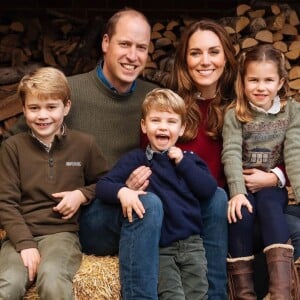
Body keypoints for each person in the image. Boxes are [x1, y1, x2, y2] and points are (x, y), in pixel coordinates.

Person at [97, 88, 217, 300]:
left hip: (192, 245)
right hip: (161, 248)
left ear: (182, 128)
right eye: (155, 120)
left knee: (198, 294)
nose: (163, 127)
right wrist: (123, 191)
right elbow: (103, 185)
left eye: (171, 121)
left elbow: (208, 190)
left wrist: (182, 163)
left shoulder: (190, 160)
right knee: (172, 295)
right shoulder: (136, 159)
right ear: (144, 126)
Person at [0, 67, 108, 299]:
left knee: (51, 278)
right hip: (19, 235)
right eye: (34, 108)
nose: (42, 115)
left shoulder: (85, 144)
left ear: (66, 107)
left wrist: (81, 194)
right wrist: (25, 244)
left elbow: (106, 182)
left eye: (51, 107)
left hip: (61, 235)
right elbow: (5, 202)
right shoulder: (13, 147)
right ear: (23, 109)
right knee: (8, 283)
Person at [163, 19, 238, 299]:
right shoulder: (169, 107)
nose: (205, 61)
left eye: (213, 52)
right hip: (182, 207)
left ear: (226, 58)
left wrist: (274, 175)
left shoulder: (240, 106)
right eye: (195, 53)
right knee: (214, 198)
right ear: (184, 59)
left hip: (229, 210)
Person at [222, 44, 300, 299]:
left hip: (271, 186)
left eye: (268, 80)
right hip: (241, 186)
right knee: (240, 216)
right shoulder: (235, 114)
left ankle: (281, 292)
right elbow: (231, 152)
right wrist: (236, 193)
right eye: (253, 80)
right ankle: (243, 294)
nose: (260, 87)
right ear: (242, 82)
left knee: (269, 206)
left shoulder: (291, 111)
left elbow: (294, 153)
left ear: (280, 83)